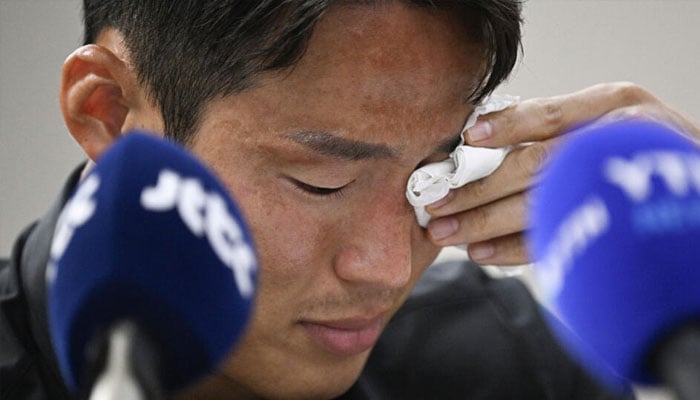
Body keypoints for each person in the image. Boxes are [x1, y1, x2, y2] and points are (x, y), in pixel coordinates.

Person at [1, 1, 698, 399]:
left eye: (435, 171)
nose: (389, 268)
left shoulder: (509, 366)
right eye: (320, 182)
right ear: (110, 111)